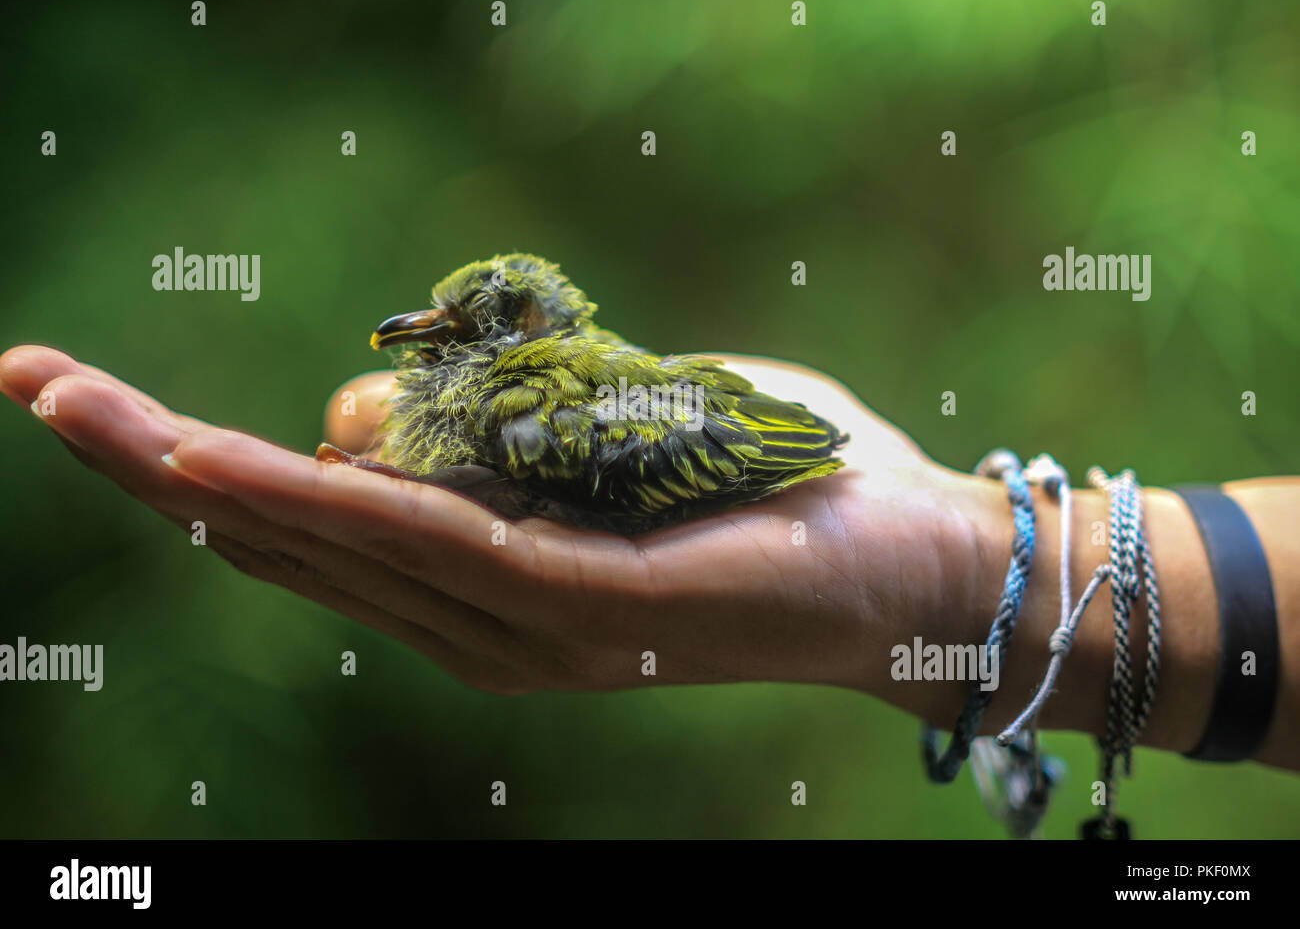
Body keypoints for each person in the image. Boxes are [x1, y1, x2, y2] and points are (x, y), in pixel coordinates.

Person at [2, 344, 1295, 772]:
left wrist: (975, 563)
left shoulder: (577, 416)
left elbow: (783, 448)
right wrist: (987, 565)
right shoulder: (519, 410)